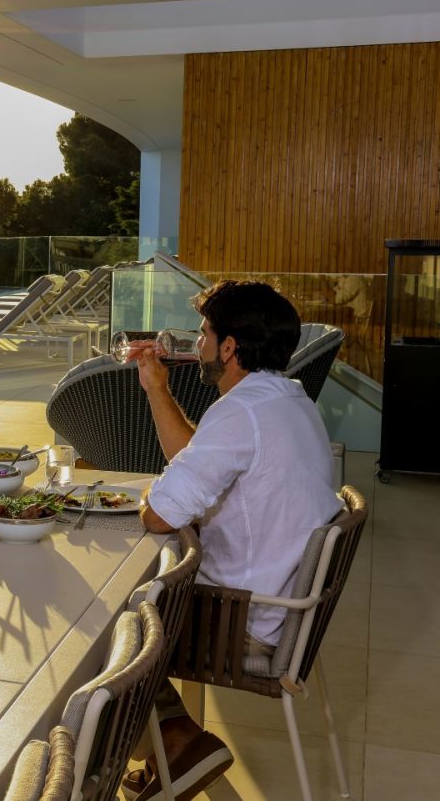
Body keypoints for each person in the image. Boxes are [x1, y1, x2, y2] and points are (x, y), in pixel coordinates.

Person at [124, 280, 342, 801]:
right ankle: (177, 748)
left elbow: (158, 515)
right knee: (134, 614)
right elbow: (199, 457)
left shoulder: (242, 413)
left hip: (244, 620)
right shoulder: (285, 401)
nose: (196, 345)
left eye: (203, 334)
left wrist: (153, 497)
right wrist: (157, 388)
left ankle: (169, 746)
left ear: (228, 347)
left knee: (111, 631)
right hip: (285, 610)